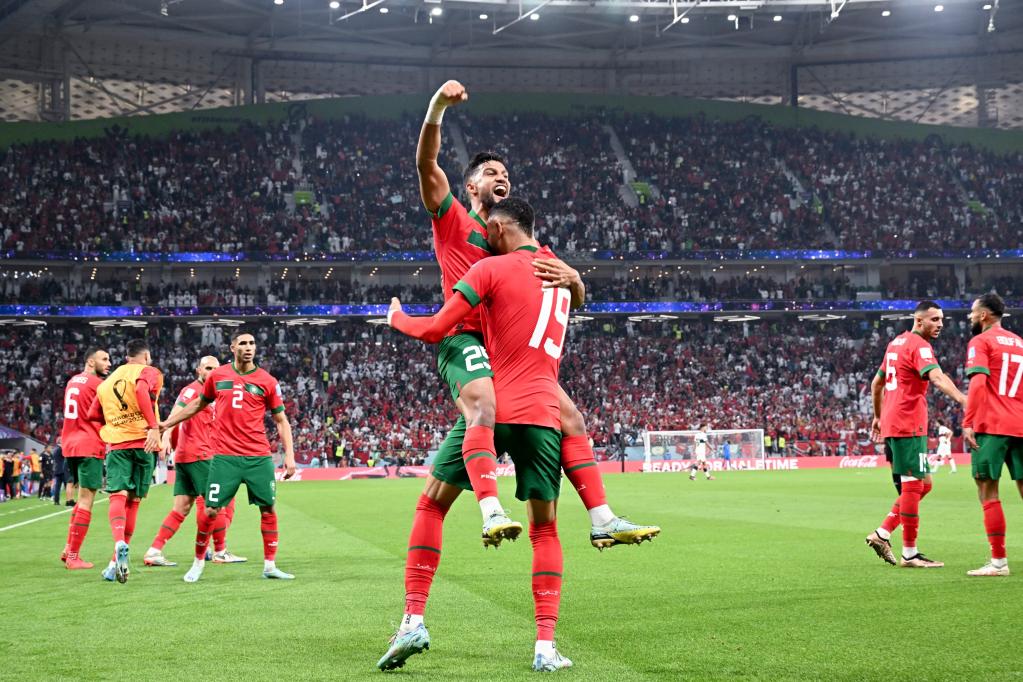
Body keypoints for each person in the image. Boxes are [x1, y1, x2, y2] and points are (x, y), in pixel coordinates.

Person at [407, 78, 658, 550]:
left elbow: (568, 298)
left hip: (512, 352)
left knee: (572, 419)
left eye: (506, 173)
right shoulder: (452, 219)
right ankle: (491, 509)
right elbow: (426, 164)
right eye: (491, 172)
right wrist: (438, 105)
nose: (501, 177)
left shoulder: (523, 244)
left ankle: (603, 518)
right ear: (471, 185)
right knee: (483, 405)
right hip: (466, 339)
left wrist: (578, 283)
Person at [385, 197, 574, 672]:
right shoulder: (548, 267)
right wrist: (577, 281)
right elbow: (430, 171)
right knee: (545, 525)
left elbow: (435, 327)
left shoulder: (493, 266)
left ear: (501, 227)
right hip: (532, 398)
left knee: (433, 503)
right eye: (491, 171)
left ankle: (414, 619)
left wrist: (397, 318)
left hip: (492, 394)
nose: (486, 234)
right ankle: (545, 646)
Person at [158, 331, 296, 583]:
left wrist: (290, 455)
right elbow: (197, 404)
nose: (248, 347)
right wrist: (167, 424)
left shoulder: (267, 381)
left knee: (268, 508)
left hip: (258, 456)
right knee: (210, 510)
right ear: (233, 347)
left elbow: (281, 420)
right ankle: (198, 562)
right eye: (243, 343)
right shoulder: (218, 376)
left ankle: (270, 565)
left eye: (252, 343)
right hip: (224, 457)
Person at [864, 301, 966, 568]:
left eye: (941, 319)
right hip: (907, 422)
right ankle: (910, 553)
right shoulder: (919, 345)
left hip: (896, 421)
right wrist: (964, 400)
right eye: (934, 319)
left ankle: (883, 533)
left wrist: (878, 416)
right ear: (919, 321)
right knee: (912, 484)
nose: (940, 324)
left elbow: (877, 383)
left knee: (924, 484)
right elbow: (937, 378)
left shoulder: (896, 343)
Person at [144, 356, 245, 568]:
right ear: (199, 369)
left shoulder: (214, 393)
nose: (212, 372)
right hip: (200, 454)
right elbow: (177, 411)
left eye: (216, 369)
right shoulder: (192, 390)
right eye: (208, 368)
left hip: (186, 457)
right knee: (216, 502)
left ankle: (154, 551)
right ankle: (220, 551)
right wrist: (165, 435)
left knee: (181, 508)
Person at [87, 339, 164, 583]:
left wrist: (115, 422)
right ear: (146, 356)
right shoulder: (148, 371)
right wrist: (153, 427)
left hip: (118, 444)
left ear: (126, 356)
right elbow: (141, 391)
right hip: (144, 442)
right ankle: (114, 562)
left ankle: (118, 546)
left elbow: (92, 414)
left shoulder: (106, 382)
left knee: (117, 496)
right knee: (134, 502)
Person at [962, 293, 1023, 577]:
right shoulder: (1019, 343)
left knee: (987, 490)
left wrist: (968, 421)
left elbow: (978, 383)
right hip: (1020, 423)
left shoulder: (981, 341)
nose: (971, 317)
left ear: (984, 315)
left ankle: (998, 562)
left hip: (992, 424)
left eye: (973, 313)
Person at [59, 347, 111, 570]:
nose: (109, 363)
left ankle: (67, 549)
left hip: (70, 443)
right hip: (89, 444)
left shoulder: (72, 381)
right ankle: (73, 557)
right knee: (87, 501)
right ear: (91, 362)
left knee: (81, 499)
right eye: (104, 359)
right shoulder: (98, 385)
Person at [50, 441, 67, 506]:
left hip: (57, 470)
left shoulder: (55, 449)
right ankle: (69, 500)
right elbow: (65, 456)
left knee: (57, 487)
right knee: (67, 486)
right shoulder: (60, 449)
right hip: (63, 470)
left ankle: (56, 501)